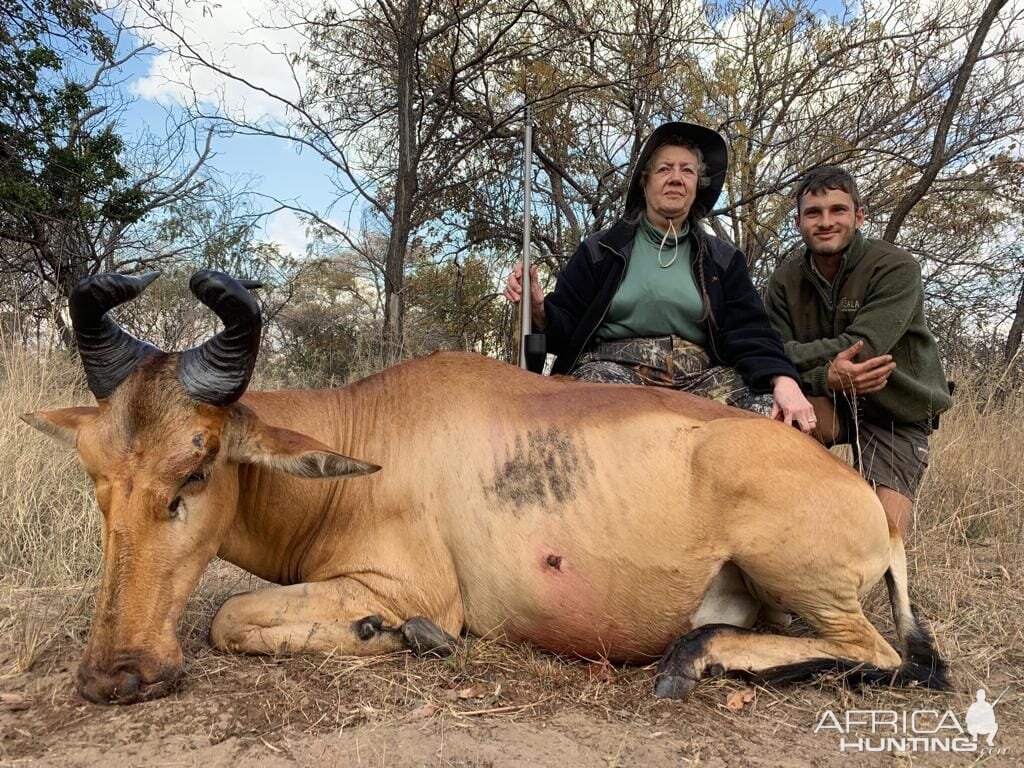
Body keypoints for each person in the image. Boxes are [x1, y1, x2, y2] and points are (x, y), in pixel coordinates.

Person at [505, 121, 815, 431]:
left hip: (701, 377)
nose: (676, 179)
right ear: (645, 181)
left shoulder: (722, 259)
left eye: (687, 171)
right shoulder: (600, 250)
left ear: (698, 185)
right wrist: (541, 311)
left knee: (771, 414)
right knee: (589, 411)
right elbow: (567, 326)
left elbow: (751, 331)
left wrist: (783, 380)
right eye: (665, 169)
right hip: (614, 371)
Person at [765, 166, 953, 537]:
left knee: (883, 538)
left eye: (838, 210)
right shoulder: (784, 280)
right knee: (769, 438)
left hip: (894, 409)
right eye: (813, 213)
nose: (826, 221)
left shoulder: (896, 267)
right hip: (827, 399)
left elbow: (862, 351)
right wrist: (823, 377)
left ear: (859, 216)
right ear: (798, 222)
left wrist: (799, 360)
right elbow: (772, 352)